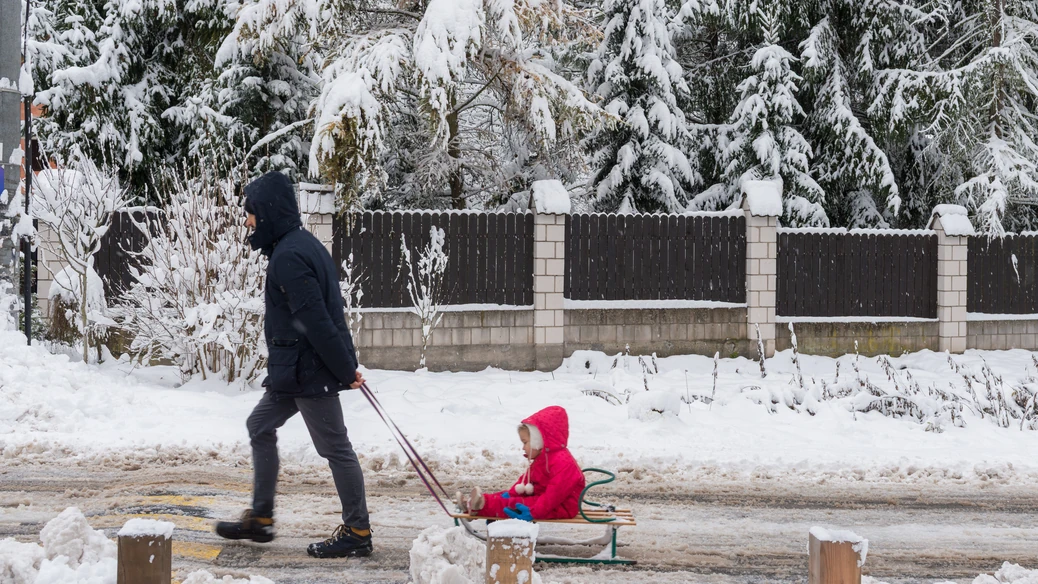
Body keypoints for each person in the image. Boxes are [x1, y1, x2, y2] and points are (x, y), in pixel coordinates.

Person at [214, 171, 373, 559]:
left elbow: (317, 320)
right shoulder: (302, 246)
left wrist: (343, 368)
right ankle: (261, 518)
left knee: (336, 448)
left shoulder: (289, 257)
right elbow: (330, 314)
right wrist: (346, 363)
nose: (248, 221)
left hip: (308, 372)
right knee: (259, 425)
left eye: (251, 212)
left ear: (267, 212)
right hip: (294, 370)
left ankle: (357, 530)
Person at [457, 405, 585, 521]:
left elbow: (553, 497)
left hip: (560, 506)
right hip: (542, 499)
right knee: (504, 496)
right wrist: (511, 493)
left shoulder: (563, 463)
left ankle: (480, 506)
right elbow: (526, 481)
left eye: (525, 442)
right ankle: (474, 503)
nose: (523, 447)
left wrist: (533, 512)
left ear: (538, 441)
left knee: (512, 504)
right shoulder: (544, 458)